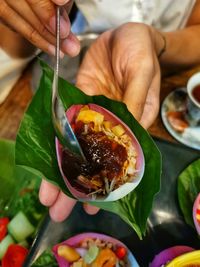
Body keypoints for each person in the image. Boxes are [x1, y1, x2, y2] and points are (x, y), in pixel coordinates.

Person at [1, 0, 200, 222]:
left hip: (163, 76)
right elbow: (16, 47)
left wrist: (155, 41)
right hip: (77, 60)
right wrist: (36, 18)